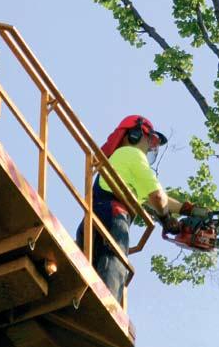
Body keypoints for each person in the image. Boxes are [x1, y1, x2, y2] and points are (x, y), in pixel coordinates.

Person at [79, 114, 209, 302]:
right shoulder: (132, 154)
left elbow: (155, 199)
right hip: (114, 217)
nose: (150, 146)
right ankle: (108, 303)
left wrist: (188, 210)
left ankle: (85, 301)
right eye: (150, 139)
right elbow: (157, 196)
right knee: (115, 260)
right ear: (134, 134)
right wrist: (165, 219)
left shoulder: (120, 165)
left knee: (89, 266)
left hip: (93, 219)